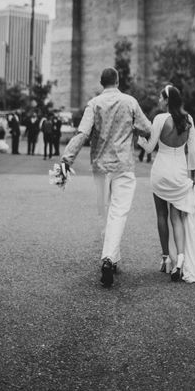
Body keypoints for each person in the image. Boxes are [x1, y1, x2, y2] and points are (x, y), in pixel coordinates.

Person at [61, 67, 151, 288]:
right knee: (118, 212)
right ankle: (109, 259)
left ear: (102, 83)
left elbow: (82, 134)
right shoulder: (130, 102)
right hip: (123, 165)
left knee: (108, 212)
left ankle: (114, 257)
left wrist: (66, 160)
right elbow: (147, 128)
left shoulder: (94, 104)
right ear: (118, 81)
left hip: (101, 167)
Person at [138, 84, 195, 284]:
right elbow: (193, 154)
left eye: (161, 97)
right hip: (180, 174)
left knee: (161, 215)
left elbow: (149, 149)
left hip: (160, 173)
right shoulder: (188, 120)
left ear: (167, 100)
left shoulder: (160, 119)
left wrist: (139, 141)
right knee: (176, 217)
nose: (158, 100)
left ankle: (166, 260)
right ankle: (180, 258)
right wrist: (193, 178)